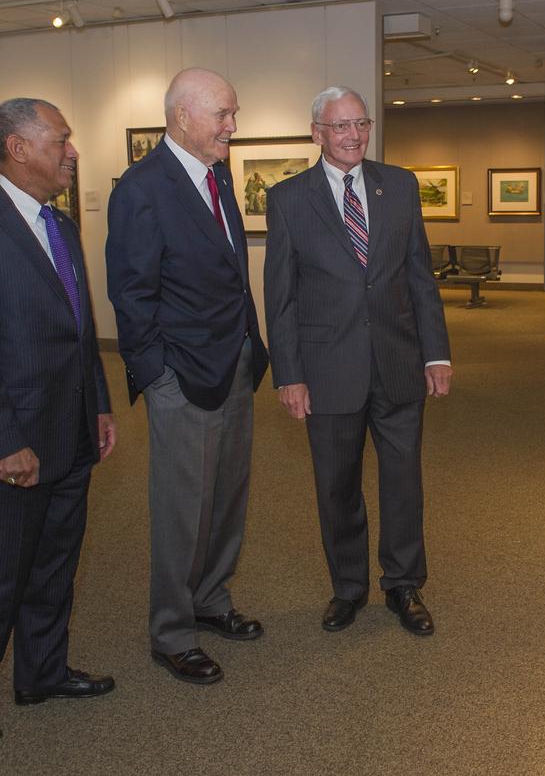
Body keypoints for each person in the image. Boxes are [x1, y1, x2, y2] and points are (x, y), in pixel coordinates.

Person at [0, 98, 117, 744]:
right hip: (4, 450)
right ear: (18, 148)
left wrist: (98, 403)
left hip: (68, 434)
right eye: (61, 139)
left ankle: (42, 672)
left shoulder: (61, 227)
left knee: (53, 568)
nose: (72, 150)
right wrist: (6, 443)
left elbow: (78, 331)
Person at [263, 86, 451, 637]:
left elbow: (419, 274)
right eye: (340, 126)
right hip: (327, 371)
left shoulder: (400, 185)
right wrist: (289, 374)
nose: (353, 135)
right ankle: (347, 587)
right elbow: (282, 297)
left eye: (361, 124)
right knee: (336, 486)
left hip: (398, 362)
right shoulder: (289, 198)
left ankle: (403, 584)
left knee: (403, 481)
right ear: (317, 132)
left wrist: (436, 353)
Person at [106, 68, 268, 685]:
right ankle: (172, 631)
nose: (233, 125)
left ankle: (211, 601)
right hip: (181, 376)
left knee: (227, 498)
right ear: (181, 117)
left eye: (234, 113)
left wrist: (253, 348)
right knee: (182, 508)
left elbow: (229, 271)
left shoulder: (217, 174)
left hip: (234, 365)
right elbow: (131, 293)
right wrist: (156, 377)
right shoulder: (142, 189)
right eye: (223, 115)